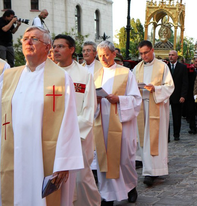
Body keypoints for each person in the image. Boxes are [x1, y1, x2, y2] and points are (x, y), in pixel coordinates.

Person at [0, 26, 84, 205]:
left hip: (44, 156)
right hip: (15, 153)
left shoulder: (61, 78)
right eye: (25, 39)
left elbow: (68, 122)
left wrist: (64, 162)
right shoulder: (9, 77)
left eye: (34, 39)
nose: (28, 42)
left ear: (47, 47)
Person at [53, 34, 101, 206]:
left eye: (60, 46)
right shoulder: (49, 73)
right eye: (54, 46)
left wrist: (71, 131)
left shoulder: (83, 74)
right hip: (53, 136)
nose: (55, 50)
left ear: (71, 50)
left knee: (81, 179)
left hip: (78, 135)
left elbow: (89, 108)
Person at [94, 41, 141, 205]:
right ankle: (107, 195)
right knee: (104, 159)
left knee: (124, 160)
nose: (103, 59)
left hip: (122, 123)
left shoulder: (126, 73)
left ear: (114, 54)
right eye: (100, 56)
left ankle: (130, 186)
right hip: (101, 122)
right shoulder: (95, 73)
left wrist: (119, 99)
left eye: (106, 54)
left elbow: (136, 99)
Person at [133, 40, 174, 187]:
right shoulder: (136, 68)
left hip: (156, 105)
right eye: (141, 53)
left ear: (152, 51)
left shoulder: (162, 66)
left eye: (146, 52)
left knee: (154, 139)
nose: (143, 56)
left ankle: (154, 171)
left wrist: (155, 89)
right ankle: (146, 168)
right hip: (141, 107)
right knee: (143, 139)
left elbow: (169, 86)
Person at [167, 50, 188, 141]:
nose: (171, 57)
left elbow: (185, 82)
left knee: (176, 117)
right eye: (169, 55)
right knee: (165, 117)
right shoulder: (165, 67)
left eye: (172, 55)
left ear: (176, 56)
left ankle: (176, 134)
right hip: (166, 96)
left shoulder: (182, 67)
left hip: (177, 95)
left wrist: (183, 95)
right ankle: (166, 136)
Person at [188, 56, 197, 134]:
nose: (196, 63)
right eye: (195, 61)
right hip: (191, 94)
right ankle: (192, 127)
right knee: (191, 111)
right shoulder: (190, 71)